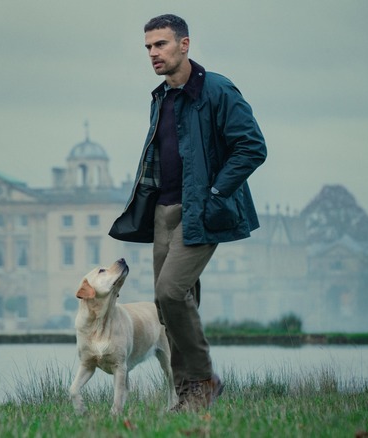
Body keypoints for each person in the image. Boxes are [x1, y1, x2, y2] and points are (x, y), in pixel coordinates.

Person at [109, 14, 267, 411]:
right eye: (147, 47)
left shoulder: (217, 90)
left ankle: (204, 379)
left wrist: (215, 192)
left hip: (203, 211)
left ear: (184, 44)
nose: (152, 53)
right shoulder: (161, 96)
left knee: (169, 291)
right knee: (170, 305)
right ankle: (188, 396)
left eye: (160, 44)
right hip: (164, 212)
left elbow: (252, 147)